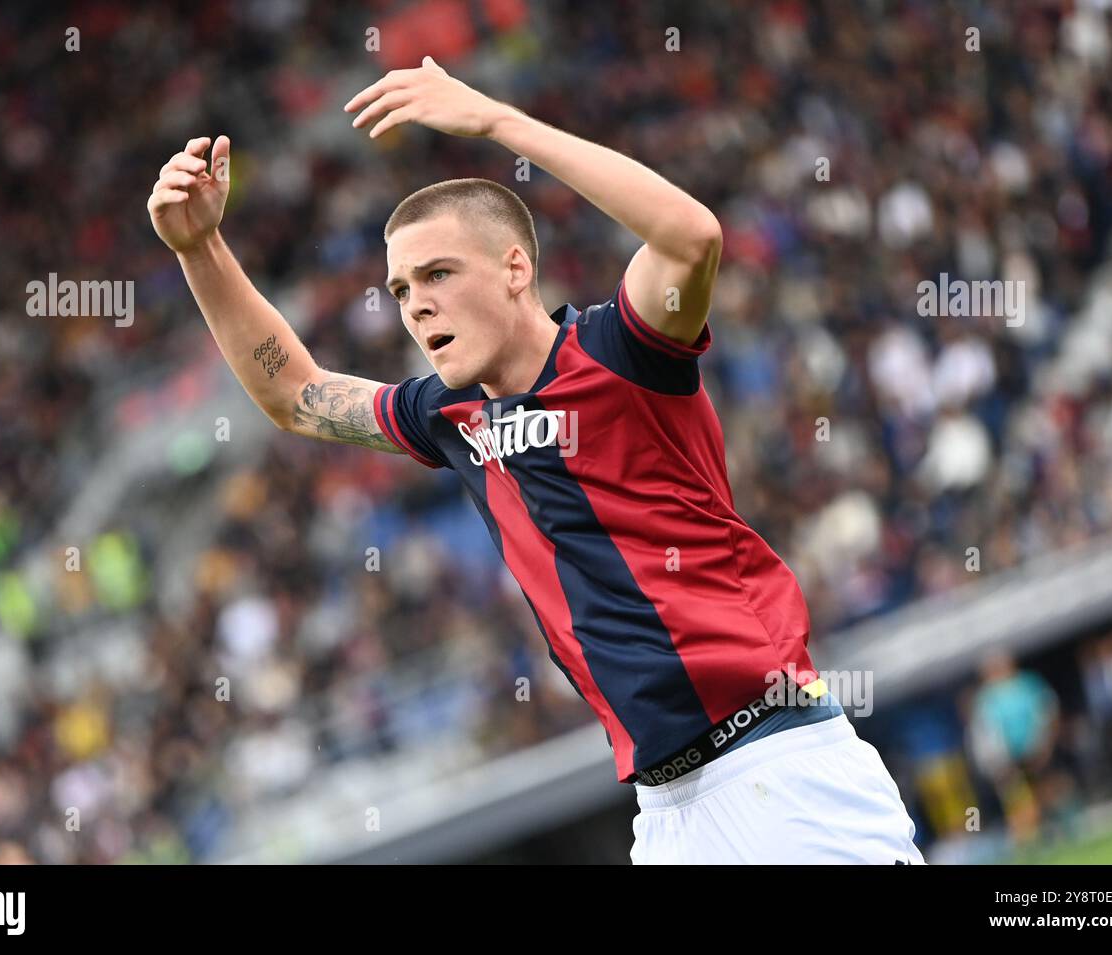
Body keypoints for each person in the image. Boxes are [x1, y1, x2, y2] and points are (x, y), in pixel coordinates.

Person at [147, 56, 924, 864]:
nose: (417, 305)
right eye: (402, 289)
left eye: (439, 273)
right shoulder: (448, 417)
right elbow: (295, 395)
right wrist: (199, 248)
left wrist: (496, 122)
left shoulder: (623, 353)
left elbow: (692, 235)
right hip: (666, 812)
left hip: (777, 764)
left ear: (517, 268)